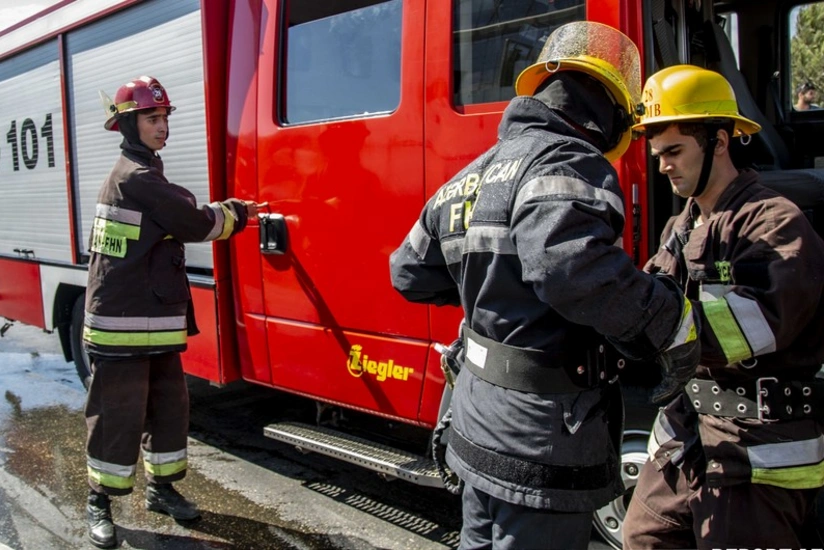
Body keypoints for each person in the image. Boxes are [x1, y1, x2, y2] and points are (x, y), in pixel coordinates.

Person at [389, 22, 702, 550]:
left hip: (476, 422)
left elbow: (408, 273)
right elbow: (569, 270)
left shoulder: (470, 175)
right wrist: (670, 323)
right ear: (610, 112)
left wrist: (492, 289)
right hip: (540, 439)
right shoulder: (571, 160)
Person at [623, 65, 824, 549]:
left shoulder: (775, 225)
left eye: (674, 151)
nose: (663, 166)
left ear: (719, 141)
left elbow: (748, 329)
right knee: (644, 536)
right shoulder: (682, 225)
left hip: (756, 445)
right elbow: (647, 299)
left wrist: (646, 317)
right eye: (658, 155)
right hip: (687, 435)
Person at [83, 75, 261, 549]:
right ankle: (98, 501)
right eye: (151, 118)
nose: (162, 127)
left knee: (168, 407)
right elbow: (195, 221)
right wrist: (239, 214)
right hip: (122, 323)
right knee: (116, 415)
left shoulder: (145, 172)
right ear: (127, 125)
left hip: (150, 317)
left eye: (164, 118)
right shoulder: (136, 178)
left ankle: (162, 489)